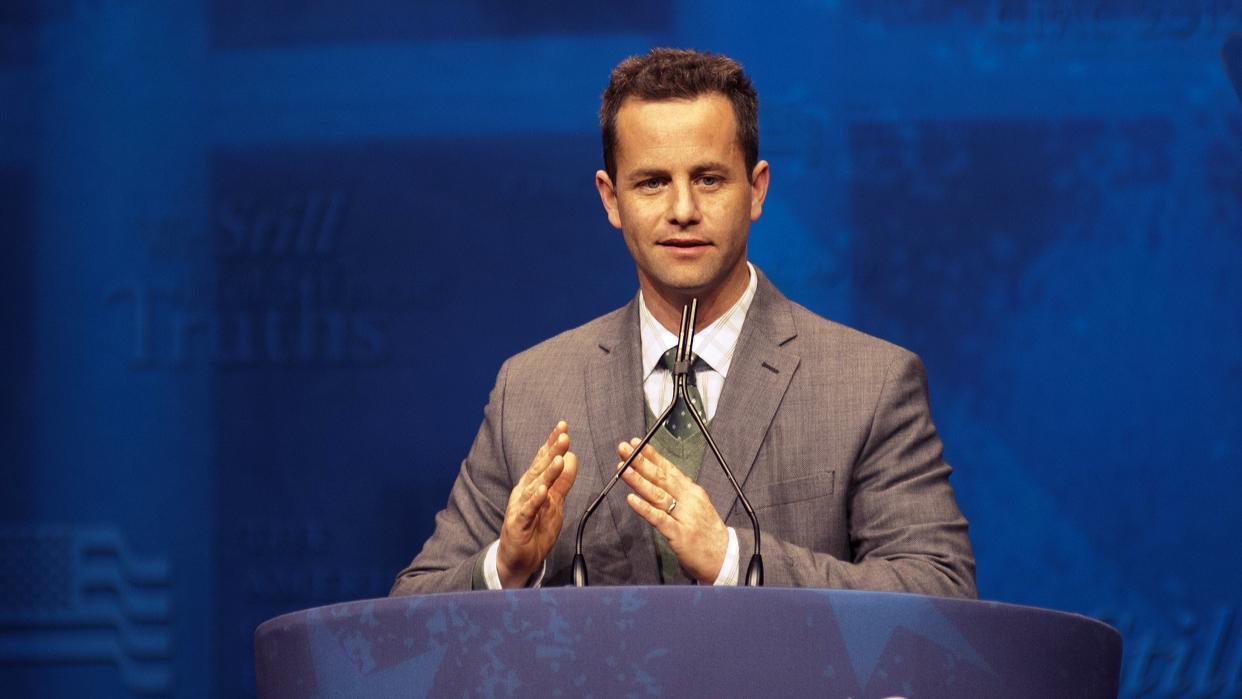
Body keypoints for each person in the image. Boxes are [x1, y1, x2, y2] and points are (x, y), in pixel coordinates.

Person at [391, 48, 975, 595]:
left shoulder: (869, 384)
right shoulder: (532, 389)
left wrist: (732, 558)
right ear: (611, 199)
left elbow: (939, 592)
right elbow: (410, 606)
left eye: (709, 178)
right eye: (652, 182)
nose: (683, 210)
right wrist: (507, 565)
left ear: (757, 189)